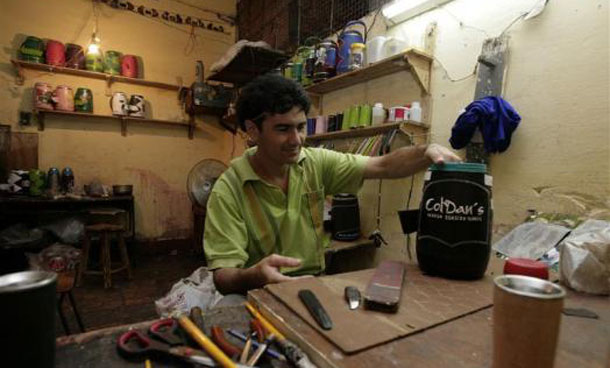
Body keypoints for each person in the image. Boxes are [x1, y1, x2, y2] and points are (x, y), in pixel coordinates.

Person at [204, 74, 460, 295]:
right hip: (260, 293)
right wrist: (255, 275)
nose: (297, 140)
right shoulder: (229, 189)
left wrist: (427, 151)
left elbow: (382, 165)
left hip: (314, 283)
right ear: (252, 130)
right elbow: (223, 276)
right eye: (283, 129)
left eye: (301, 127)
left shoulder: (315, 163)